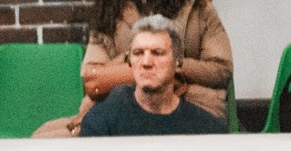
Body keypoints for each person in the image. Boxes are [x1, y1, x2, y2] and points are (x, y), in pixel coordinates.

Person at [35, 0, 232, 137]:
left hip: (191, 104)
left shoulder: (197, 7)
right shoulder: (110, 9)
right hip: (123, 105)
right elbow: (92, 76)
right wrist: (138, 64)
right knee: (44, 138)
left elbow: (220, 69)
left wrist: (171, 69)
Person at [76, 15, 226, 137]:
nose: (146, 62)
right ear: (129, 61)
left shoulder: (206, 128)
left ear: (178, 62)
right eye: (138, 53)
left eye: (158, 53)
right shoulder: (101, 122)